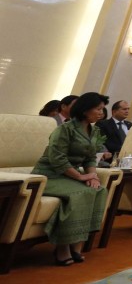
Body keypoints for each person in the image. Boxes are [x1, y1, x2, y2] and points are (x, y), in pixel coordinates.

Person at [31, 92, 109, 266]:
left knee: (99, 190)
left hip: (68, 175)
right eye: (98, 109)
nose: (101, 113)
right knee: (80, 193)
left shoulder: (94, 131)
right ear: (85, 109)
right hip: (49, 174)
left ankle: (77, 243)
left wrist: (93, 177)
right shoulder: (65, 129)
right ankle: (62, 246)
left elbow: (90, 158)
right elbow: (57, 158)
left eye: (102, 109)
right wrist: (80, 176)